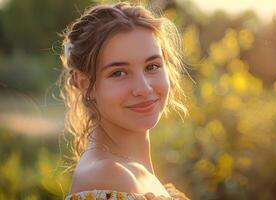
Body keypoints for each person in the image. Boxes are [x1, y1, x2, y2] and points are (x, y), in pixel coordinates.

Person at [58, 1, 190, 200]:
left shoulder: (133, 171)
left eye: (152, 66)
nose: (144, 88)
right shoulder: (107, 176)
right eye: (119, 73)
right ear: (85, 84)